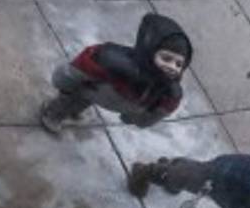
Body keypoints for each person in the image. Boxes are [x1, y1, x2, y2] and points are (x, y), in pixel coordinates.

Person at [39, 13, 192, 135]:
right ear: (149, 51)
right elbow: (78, 70)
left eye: (179, 64)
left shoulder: (168, 91)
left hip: (112, 100)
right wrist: (64, 84)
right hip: (94, 91)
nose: (172, 67)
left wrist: (137, 119)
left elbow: (158, 112)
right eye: (166, 58)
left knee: (83, 102)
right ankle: (52, 114)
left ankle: (73, 112)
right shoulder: (111, 60)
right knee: (75, 99)